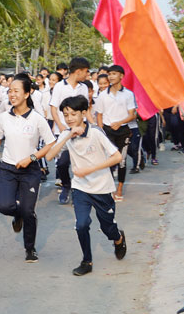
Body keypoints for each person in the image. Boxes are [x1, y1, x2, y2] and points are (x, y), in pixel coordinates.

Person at [45, 95, 127, 275]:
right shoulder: (67, 134)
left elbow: (117, 157)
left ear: (83, 113)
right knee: (81, 224)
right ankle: (86, 261)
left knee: (108, 228)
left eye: (73, 114)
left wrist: (90, 169)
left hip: (102, 188)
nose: (69, 119)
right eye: (66, 115)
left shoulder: (96, 133)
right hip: (80, 188)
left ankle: (118, 238)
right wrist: (66, 137)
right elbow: (49, 156)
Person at [0, 77, 55, 262]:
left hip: (30, 170)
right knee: (4, 206)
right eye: (10, 91)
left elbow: (51, 143)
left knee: (28, 210)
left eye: (16, 91)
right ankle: (17, 215)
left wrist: (31, 157)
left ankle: (30, 248)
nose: (12, 94)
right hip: (8, 168)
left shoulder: (37, 118)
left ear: (27, 93)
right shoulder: (4, 117)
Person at [50, 57, 90, 204]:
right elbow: (53, 108)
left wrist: (91, 126)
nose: (87, 75)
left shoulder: (84, 88)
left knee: (81, 162)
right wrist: (61, 126)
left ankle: (80, 191)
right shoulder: (60, 86)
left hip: (80, 131)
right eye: (85, 72)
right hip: (63, 132)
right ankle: (66, 185)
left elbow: (86, 110)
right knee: (62, 163)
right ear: (78, 71)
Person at [94, 65, 136, 201]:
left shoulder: (128, 94)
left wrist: (120, 122)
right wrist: (101, 131)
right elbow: (99, 114)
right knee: (110, 161)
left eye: (114, 74)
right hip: (108, 131)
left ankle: (119, 189)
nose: (111, 76)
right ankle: (110, 188)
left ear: (121, 76)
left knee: (122, 161)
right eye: (109, 74)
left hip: (123, 131)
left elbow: (132, 115)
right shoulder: (102, 95)